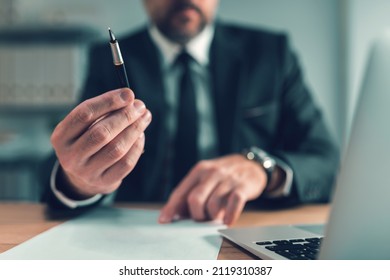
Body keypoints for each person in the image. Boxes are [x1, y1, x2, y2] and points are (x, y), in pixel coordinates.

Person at [44, 0, 340, 225]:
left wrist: (263, 169)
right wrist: (81, 180)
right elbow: (58, 164)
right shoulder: (105, 59)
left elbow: (325, 160)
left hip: (243, 225)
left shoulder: (270, 53)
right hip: (139, 233)